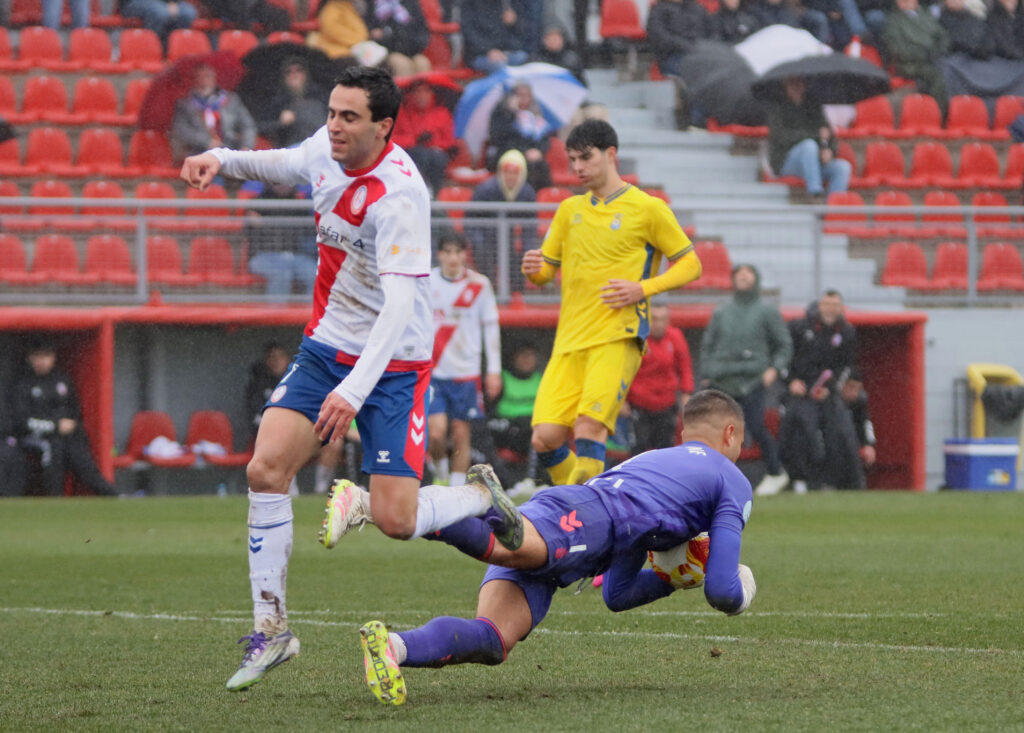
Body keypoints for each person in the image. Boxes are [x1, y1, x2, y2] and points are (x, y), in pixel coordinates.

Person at [179, 66, 523, 692]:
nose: (333, 126)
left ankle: (478, 497)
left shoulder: (400, 196)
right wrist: (219, 158)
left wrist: (354, 390)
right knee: (265, 470)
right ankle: (271, 630)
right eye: (332, 113)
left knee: (395, 519)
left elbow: (397, 309)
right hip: (326, 348)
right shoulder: (326, 149)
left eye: (348, 117)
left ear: (383, 126)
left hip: (394, 364)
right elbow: (280, 163)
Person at [357, 389, 758, 706]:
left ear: (684, 435)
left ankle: (393, 646)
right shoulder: (731, 478)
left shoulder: (654, 464)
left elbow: (617, 595)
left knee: (494, 639)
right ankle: (377, 505)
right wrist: (742, 591)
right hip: (589, 518)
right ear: (730, 434)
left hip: (573, 518)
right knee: (508, 548)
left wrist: (671, 579)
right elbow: (723, 591)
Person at [521, 119, 702, 488]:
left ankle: (579, 512)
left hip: (618, 334)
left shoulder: (648, 208)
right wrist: (534, 270)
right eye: (573, 160)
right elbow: (545, 273)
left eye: (586, 158)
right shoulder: (569, 210)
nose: (578, 167)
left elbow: (691, 263)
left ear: (611, 154)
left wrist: (643, 288)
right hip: (570, 339)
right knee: (545, 437)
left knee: (589, 426)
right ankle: (591, 503)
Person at [698, 264, 793, 497]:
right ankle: (714, 477)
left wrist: (774, 370)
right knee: (716, 430)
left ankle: (776, 472)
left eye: (747, 273)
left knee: (756, 425)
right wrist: (707, 372)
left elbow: (784, 345)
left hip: (752, 379)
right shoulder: (722, 312)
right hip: (721, 379)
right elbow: (708, 345)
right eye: (738, 273)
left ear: (756, 279)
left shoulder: (767, 311)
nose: (742, 277)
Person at [426, 231, 503, 488]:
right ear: (439, 255)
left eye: (458, 252)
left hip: (467, 373)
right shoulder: (427, 282)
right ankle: (440, 471)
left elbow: (490, 326)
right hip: (434, 370)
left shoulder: (479, 284)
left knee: (461, 434)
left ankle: (456, 490)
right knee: (436, 434)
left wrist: (493, 370)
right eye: (447, 252)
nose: (453, 258)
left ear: (464, 255)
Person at [779, 290, 864, 492]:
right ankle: (800, 479)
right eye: (827, 304)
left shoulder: (847, 332)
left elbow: (846, 366)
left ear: (841, 308)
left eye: (835, 305)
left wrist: (831, 387)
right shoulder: (798, 327)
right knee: (801, 429)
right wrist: (791, 382)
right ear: (819, 306)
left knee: (840, 431)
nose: (830, 309)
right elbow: (783, 357)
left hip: (827, 391)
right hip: (800, 390)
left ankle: (839, 482)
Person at [9, 339, 115, 497]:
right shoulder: (22, 384)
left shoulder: (62, 381)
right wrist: (54, 426)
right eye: (38, 356)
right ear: (30, 358)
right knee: (53, 447)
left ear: (53, 357)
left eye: (46, 356)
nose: (42, 361)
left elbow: (75, 412)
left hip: (64, 436)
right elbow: (21, 422)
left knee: (78, 450)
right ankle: (55, 498)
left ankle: (110, 493)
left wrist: (71, 426)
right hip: (32, 437)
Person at [767, 76, 852, 200]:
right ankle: (815, 193)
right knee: (808, 145)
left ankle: (834, 205)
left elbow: (827, 133)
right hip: (786, 162)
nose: (796, 87)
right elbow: (783, 137)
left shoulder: (813, 106)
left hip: (814, 162)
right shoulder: (778, 109)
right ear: (786, 87)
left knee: (842, 167)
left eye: (799, 83)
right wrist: (815, 135)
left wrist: (829, 151)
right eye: (792, 83)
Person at [626, 303, 694, 454]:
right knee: (638, 449)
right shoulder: (636, 338)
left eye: (663, 319)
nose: (659, 324)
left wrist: (686, 393)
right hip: (639, 405)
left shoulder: (675, 337)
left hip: (666, 405)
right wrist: (621, 400)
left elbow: (685, 367)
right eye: (655, 319)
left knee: (665, 449)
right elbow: (623, 370)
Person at [467, 148, 537, 291]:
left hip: (509, 240)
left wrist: (528, 249)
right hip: (485, 239)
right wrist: (478, 241)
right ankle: (489, 292)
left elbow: (530, 227)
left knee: (520, 263)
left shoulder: (527, 193)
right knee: (484, 261)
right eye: (507, 172)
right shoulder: (485, 189)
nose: (510, 177)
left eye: (515, 173)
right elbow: (471, 220)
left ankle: (516, 296)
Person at [243, 181, 318, 300]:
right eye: (278, 183)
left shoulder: (299, 205)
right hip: (262, 256)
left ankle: (310, 311)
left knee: (314, 272)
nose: (284, 186)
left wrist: (266, 224)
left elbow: (307, 232)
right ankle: (277, 311)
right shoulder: (257, 203)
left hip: (293, 256)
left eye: (287, 182)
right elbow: (247, 231)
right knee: (281, 273)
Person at [171, 63, 257, 163]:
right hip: (200, 153)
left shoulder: (231, 100)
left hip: (231, 149)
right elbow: (181, 130)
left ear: (214, 79)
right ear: (193, 81)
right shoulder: (185, 104)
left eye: (207, 76)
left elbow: (248, 126)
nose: (203, 81)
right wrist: (207, 142)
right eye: (199, 77)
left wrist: (246, 146)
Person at [488, 344, 545, 492]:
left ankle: (537, 480)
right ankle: (518, 482)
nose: (527, 360)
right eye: (523, 356)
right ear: (514, 358)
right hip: (507, 428)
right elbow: (490, 409)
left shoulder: (541, 379)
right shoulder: (502, 379)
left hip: (533, 428)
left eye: (530, 356)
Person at [881, 0, 950, 111]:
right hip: (911, 64)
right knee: (938, 77)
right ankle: (939, 113)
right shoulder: (893, 21)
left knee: (952, 70)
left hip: (935, 58)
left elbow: (943, 36)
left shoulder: (926, 15)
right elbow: (897, 49)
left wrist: (937, 51)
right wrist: (924, 54)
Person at [390, 79, 456, 195]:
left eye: (426, 91)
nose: (421, 95)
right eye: (417, 91)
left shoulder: (442, 113)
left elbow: (449, 141)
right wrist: (415, 140)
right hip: (409, 155)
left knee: (437, 157)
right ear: (410, 95)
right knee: (421, 155)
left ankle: (435, 192)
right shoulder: (401, 113)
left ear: (432, 94)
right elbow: (392, 139)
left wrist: (433, 142)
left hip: (436, 155)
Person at [486, 81, 553, 191]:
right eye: (520, 95)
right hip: (507, 152)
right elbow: (498, 136)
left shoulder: (536, 114)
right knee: (526, 167)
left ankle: (543, 197)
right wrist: (511, 113)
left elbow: (544, 139)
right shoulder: (502, 111)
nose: (523, 99)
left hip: (532, 155)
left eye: (527, 95)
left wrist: (539, 151)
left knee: (542, 166)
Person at [256, 58, 329, 150]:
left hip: (320, 146)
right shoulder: (277, 103)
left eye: (299, 70)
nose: (294, 75)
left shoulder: (320, 96)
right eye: (288, 72)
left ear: (306, 74)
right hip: (291, 149)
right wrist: (280, 123)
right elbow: (260, 127)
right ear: (283, 78)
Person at [460, 0, 538, 74]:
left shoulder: (506, 3)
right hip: (479, 55)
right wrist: (488, 50)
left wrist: (515, 22)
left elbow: (523, 32)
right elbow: (469, 33)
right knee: (500, 66)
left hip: (506, 52)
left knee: (527, 59)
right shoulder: (470, 3)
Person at [646, 0, 713, 78]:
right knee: (701, 71)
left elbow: (711, 31)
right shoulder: (658, 10)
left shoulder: (697, 8)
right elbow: (660, 38)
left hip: (701, 54)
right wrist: (689, 47)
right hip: (672, 56)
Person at [363, 0, 431, 77]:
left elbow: (421, 30)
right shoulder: (372, 4)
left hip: (411, 50)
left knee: (423, 63)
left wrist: (415, 45)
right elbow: (370, 30)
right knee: (401, 65)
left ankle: (422, 85)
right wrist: (383, 34)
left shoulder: (409, 3)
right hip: (386, 51)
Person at [120, 0, 198, 44]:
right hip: (135, 2)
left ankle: (175, 52)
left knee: (188, 13)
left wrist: (172, 2)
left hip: (165, 3)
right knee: (160, 12)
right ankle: (151, 50)